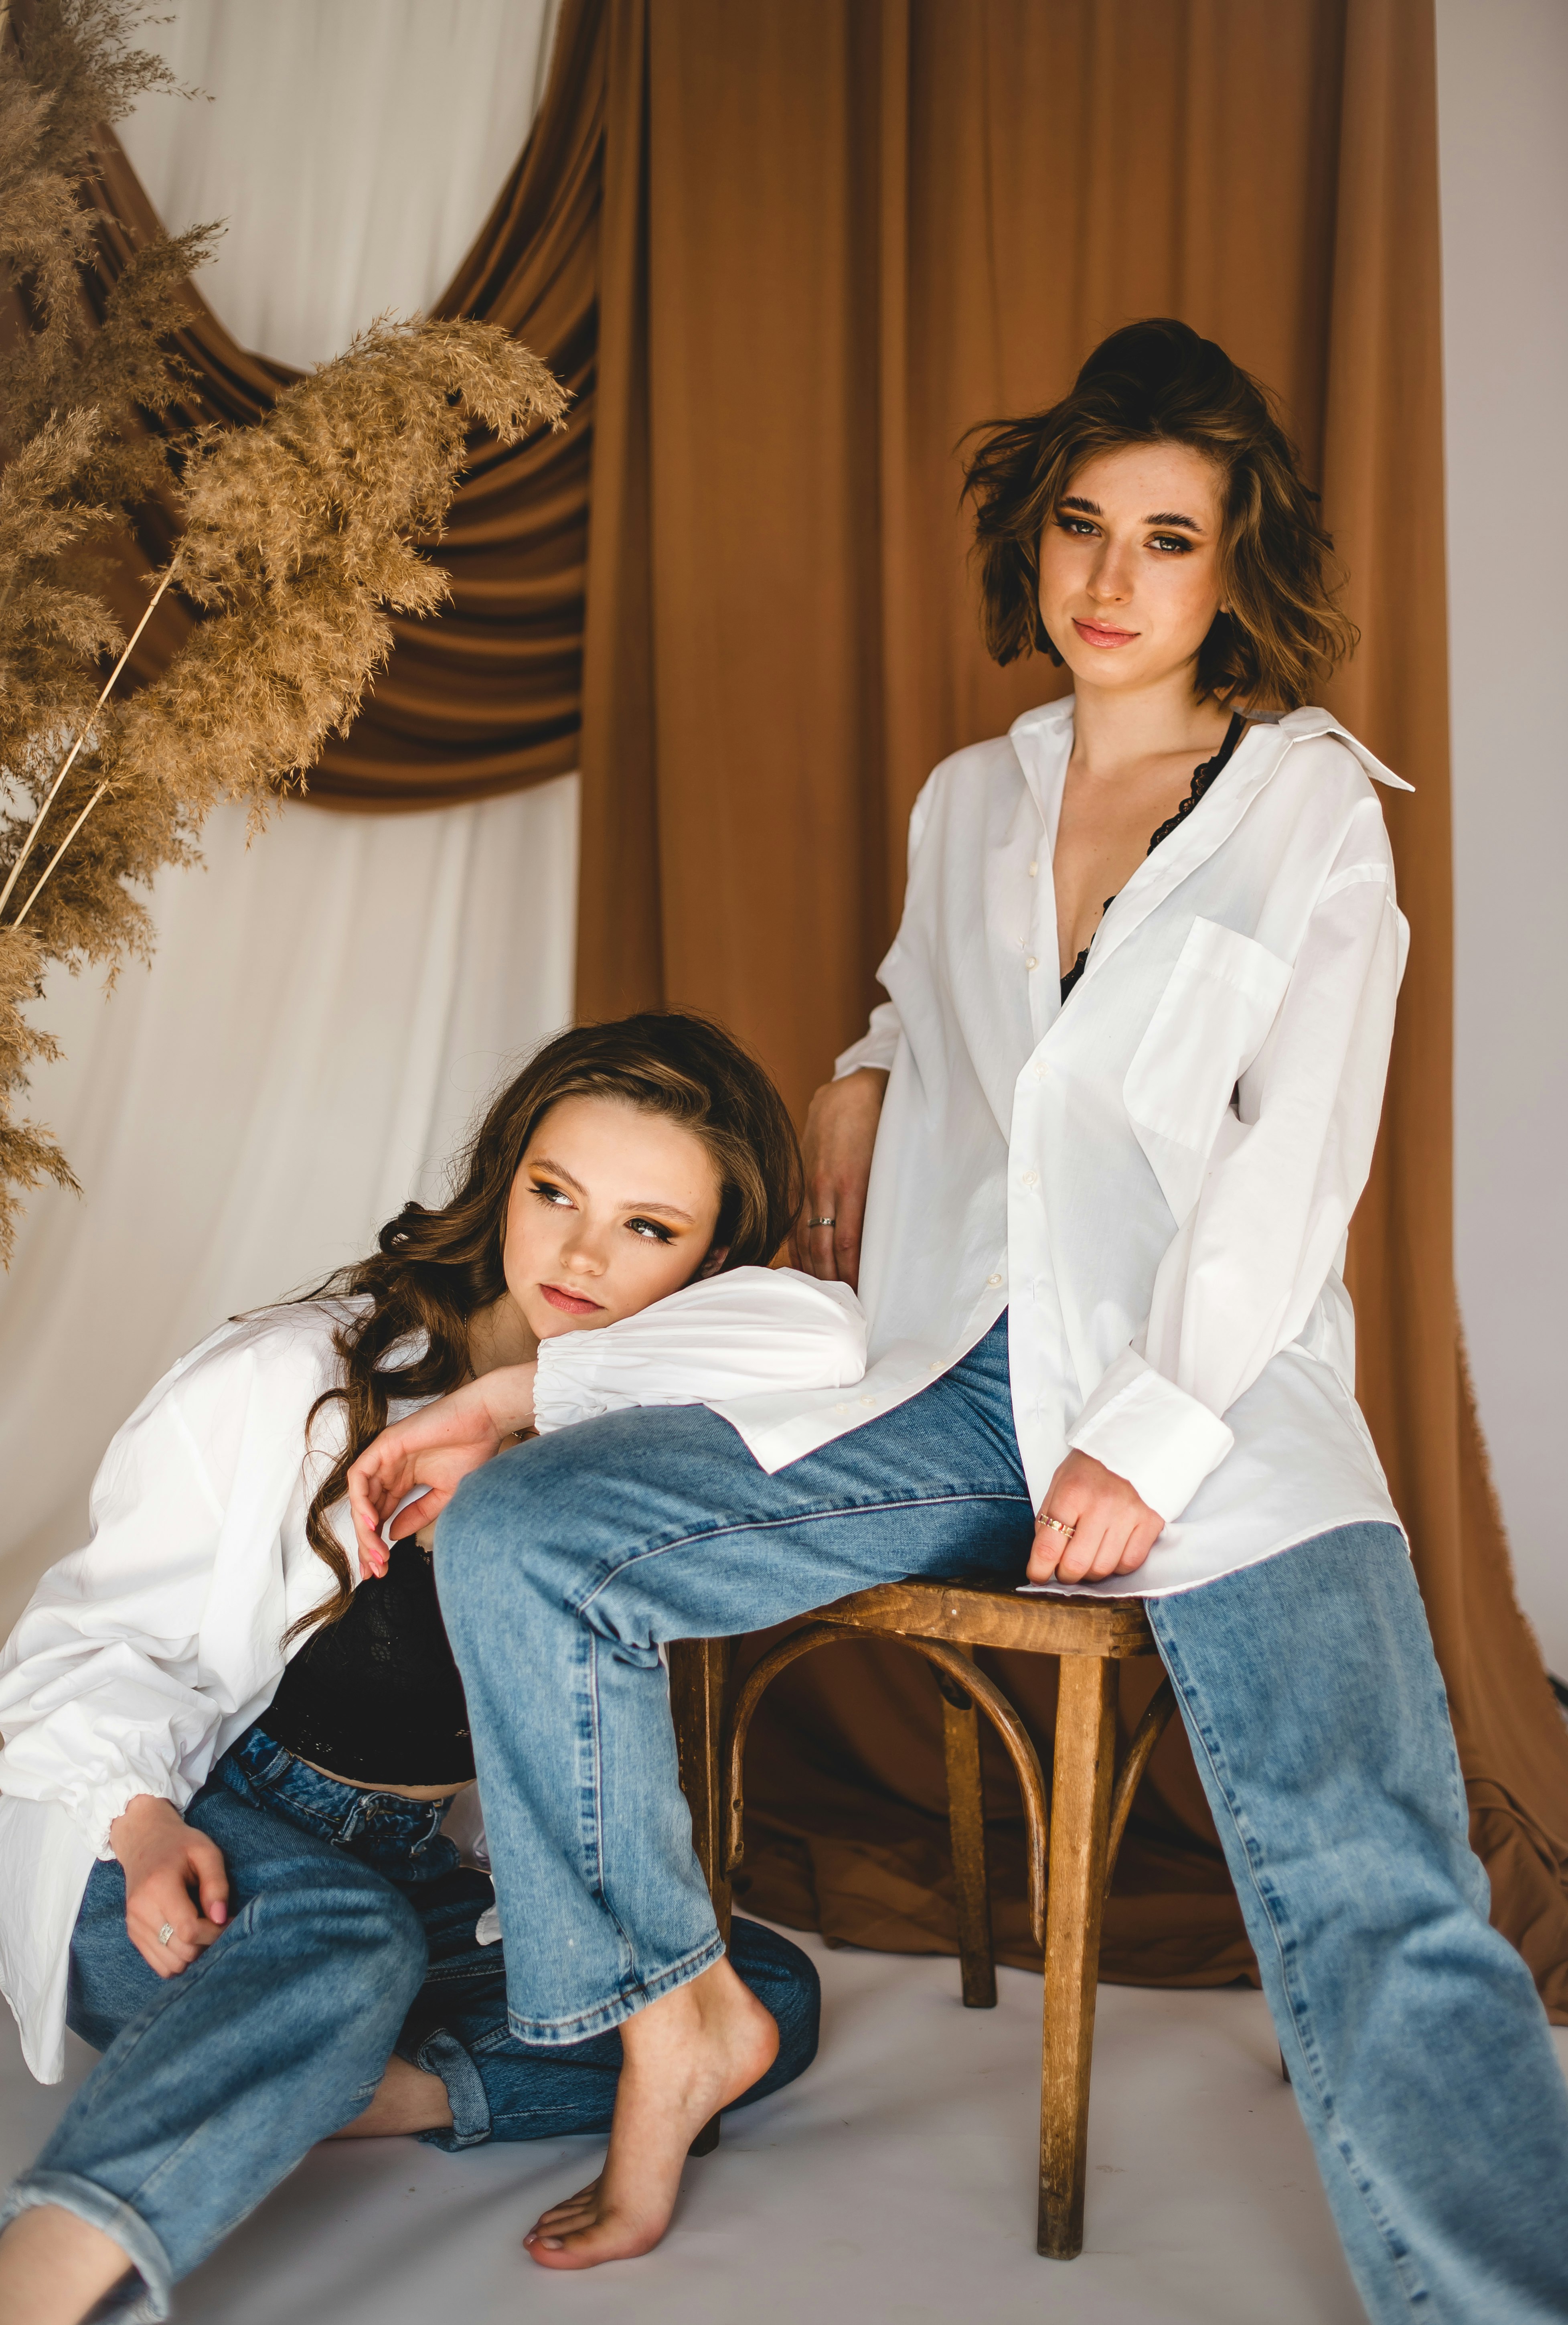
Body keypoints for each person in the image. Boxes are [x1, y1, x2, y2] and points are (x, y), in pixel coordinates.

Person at [372, 321, 1568, 2317]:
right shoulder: (967, 804)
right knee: (526, 1543)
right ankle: (674, 2022)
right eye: (1083, 527)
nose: (1113, 581)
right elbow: (959, 1029)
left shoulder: (1306, 813)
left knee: (1382, 1872)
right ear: (1033, 541)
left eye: (1167, 539)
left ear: (1230, 567)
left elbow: (1295, 1170)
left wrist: (1154, 1438)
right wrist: (859, 1066)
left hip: (1219, 1403)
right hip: (946, 1389)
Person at [0, 1012, 865, 2325]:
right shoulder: (300, 1374)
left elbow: (831, 1344)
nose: (580, 1253)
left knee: (766, 1998)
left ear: (717, 1259)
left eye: (649, 1227)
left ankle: (351, 2087)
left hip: (413, 1886)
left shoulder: (637, 1425)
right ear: (505, 1173)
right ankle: (39, 2279)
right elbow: (82, 1642)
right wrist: (144, 1819)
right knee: (341, 1944)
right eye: (556, 1193)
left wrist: (524, 1403)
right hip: (189, 1860)